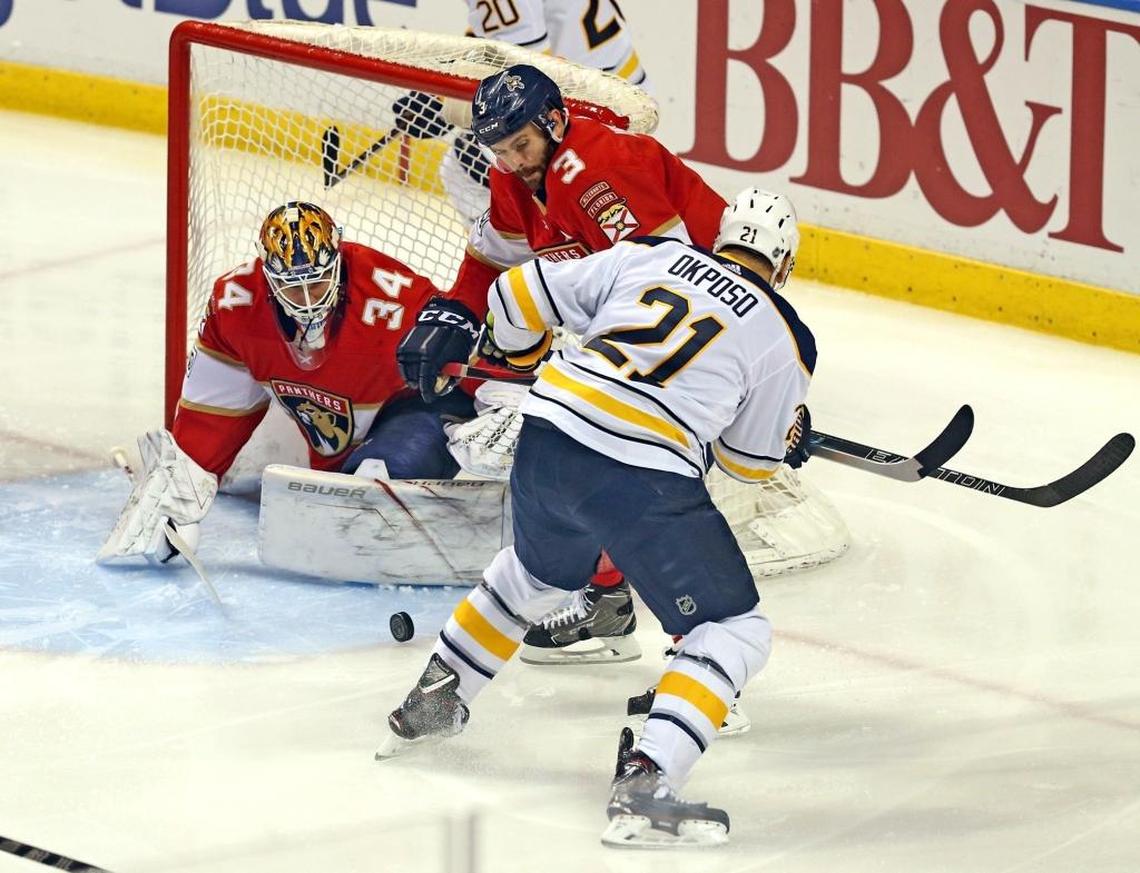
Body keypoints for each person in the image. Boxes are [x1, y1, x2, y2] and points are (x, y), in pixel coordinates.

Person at [375, 187, 813, 848]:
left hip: (547, 435)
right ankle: (646, 782)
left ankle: (432, 700)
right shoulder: (784, 331)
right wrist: (783, 434)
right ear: (783, 267)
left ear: (718, 238)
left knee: (533, 574)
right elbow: (747, 465)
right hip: (641, 473)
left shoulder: (650, 256)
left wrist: (522, 359)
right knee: (732, 626)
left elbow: (516, 293)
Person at [395, 62, 728, 663]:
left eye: (521, 144)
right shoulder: (512, 180)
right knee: (591, 459)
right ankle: (609, 599)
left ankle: (703, 655)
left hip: (715, 314)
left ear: (554, 121)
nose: (513, 160)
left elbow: (674, 280)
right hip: (643, 328)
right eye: (499, 150)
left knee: (648, 481)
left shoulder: (603, 170)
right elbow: (491, 261)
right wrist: (455, 314)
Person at [97, 201, 474, 566]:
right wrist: (177, 499)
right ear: (267, 274)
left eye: (319, 281)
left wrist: (504, 407)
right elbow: (210, 420)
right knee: (273, 482)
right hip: (327, 434)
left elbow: (464, 350)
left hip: (408, 407)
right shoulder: (236, 306)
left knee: (371, 491)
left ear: (338, 261)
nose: (309, 300)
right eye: (293, 287)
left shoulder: (394, 297)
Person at [439, 0, 651, 223]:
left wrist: (457, 107)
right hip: (624, 100)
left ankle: (549, 248)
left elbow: (524, 80)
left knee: (463, 171)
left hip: (592, 120)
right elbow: (496, 42)